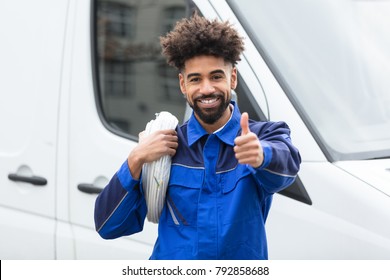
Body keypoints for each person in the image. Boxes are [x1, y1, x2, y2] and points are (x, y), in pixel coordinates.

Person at [94, 12, 301, 260]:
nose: (206, 89)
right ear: (183, 85)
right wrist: (136, 159)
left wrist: (261, 155)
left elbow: (288, 166)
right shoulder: (164, 147)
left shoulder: (262, 136)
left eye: (216, 76)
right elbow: (107, 226)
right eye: (195, 79)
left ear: (232, 78)